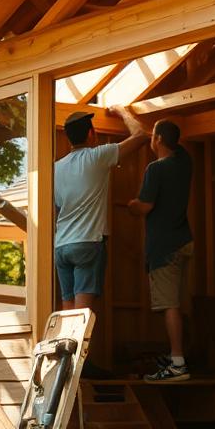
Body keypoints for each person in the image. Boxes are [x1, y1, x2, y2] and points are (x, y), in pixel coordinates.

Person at [54, 106, 147, 311]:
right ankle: (79, 345)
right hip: (88, 242)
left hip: (61, 246)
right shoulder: (97, 156)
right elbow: (141, 136)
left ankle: (66, 344)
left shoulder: (56, 168)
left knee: (68, 312)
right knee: (82, 314)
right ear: (90, 134)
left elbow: (58, 206)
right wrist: (123, 112)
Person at [128, 119, 193, 382]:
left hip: (164, 247)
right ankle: (177, 355)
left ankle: (178, 363)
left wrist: (132, 205)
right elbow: (173, 141)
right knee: (178, 304)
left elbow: (144, 206)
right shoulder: (185, 162)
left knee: (169, 305)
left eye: (154, 137)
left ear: (157, 140)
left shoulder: (155, 169)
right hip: (184, 241)